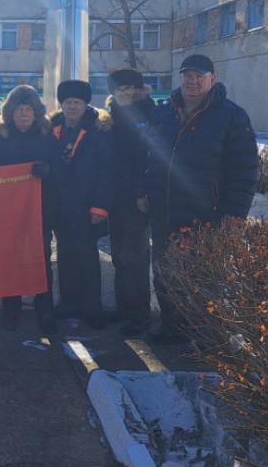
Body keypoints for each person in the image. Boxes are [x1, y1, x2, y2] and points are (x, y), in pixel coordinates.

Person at [139, 53, 259, 344]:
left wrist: (234, 215)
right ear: (179, 79)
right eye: (187, 76)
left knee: (204, 276)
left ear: (212, 80)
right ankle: (172, 328)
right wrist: (143, 191)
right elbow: (148, 156)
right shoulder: (162, 112)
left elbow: (245, 171)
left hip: (207, 213)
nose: (192, 82)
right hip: (165, 211)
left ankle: (207, 335)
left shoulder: (231, 115)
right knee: (165, 272)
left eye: (199, 77)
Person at [0, 85, 64, 334]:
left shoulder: (47, 137)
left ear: (36, 112)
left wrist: (49, 172)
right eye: (19, 109)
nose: (24, 115)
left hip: (40, 211)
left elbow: (63, 173)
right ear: (11, 113)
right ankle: (12, 310)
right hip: (8, 214)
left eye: (29, 109)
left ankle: (45, 312)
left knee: (41, 262)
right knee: (10, 262)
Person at [49, 79, 114, 329]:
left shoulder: (99, 130)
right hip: (61, 206)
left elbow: (106, 172)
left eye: (76, 102)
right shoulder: (54, 127)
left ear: (85, 104)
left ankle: (92, 308)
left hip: (86, 206)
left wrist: (100, 208)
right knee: (65, 256)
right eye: (67, 103)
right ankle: (69, 304)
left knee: (87, 257)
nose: (72, 107)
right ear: (62, 105)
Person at [104, 68, 156, 336]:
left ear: (137, 90)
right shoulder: (110, 116)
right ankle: (124, 308)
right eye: (119, 89)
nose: (124, 93)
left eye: (129, 88)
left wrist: (142, 192)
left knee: (135, 257)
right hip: (116, 197)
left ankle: (140, 314)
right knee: (119, 256)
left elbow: (150, 157)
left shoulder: (150, 113)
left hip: (137, 197)